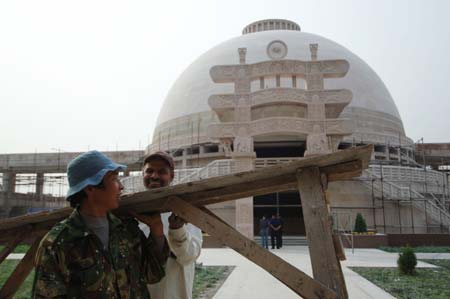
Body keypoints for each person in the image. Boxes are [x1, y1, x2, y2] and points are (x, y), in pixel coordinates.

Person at [32, 150, 169, 298]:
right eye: (114, 179)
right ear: (90, 188)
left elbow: (153, 275)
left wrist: (157, 231)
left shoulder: (127, 229)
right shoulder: (57, 244)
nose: (121, 186)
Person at [139, 151, 203, 299]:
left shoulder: (184, 210)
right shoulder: (133, 212)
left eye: (162, 172)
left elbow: (189, 257)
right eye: (150, 171)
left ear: (171, 176)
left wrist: (178, 231)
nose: (154, 176)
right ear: (143, 174)